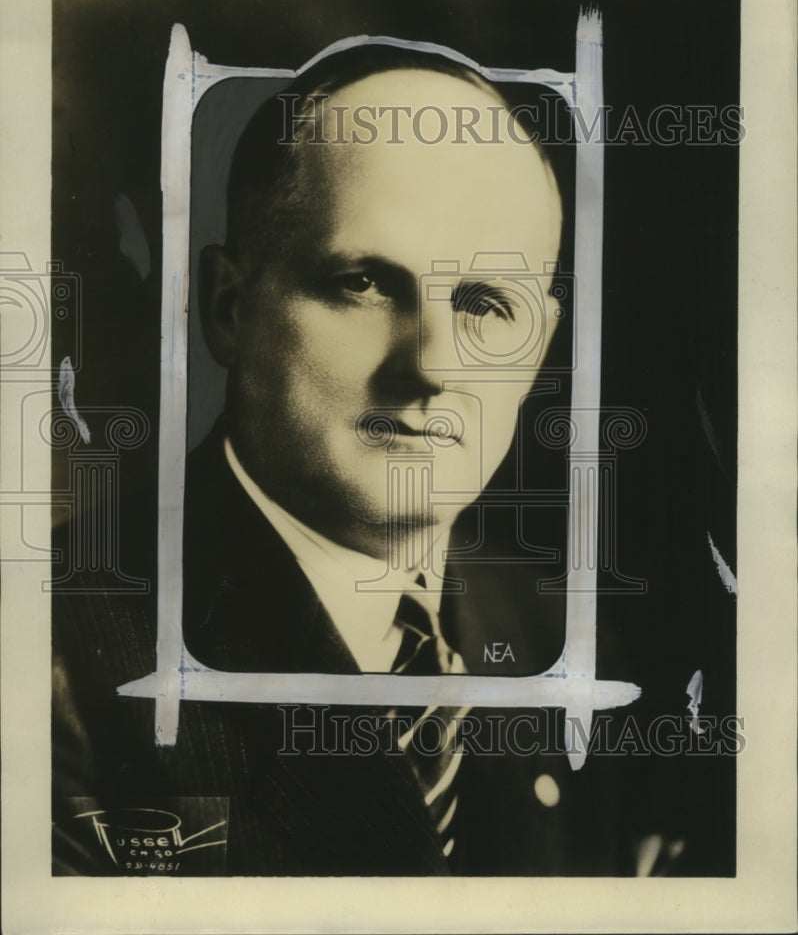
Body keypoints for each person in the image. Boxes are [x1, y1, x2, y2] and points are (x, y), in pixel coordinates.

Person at [52, 43, 734, 877]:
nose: (435, 364)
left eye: (488, 304)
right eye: (365, 283)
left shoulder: (552, 634)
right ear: (229, 308)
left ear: (540, 348)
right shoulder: (57, 668)